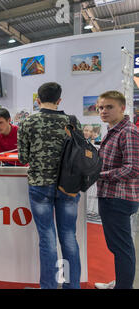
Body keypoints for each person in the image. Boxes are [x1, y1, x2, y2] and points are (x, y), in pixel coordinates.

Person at [17, 82, 83, 289]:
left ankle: (49, 286)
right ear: (59, 100)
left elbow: (22, 158)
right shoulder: (71, 121)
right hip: (68, 185)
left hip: (40, 185)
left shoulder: (27, 122)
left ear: (38, 100)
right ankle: (72, 286)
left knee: (47, 238)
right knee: (69, 237)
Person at [94, 91, 138, 289]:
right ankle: (121, 283)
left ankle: (123, 287)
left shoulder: (127, 131)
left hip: (118, 197)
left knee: (122, 248)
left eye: (109, 107)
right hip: (111, 196)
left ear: (122, 108)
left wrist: (99, 175)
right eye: (101, 107)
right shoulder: (113, 130)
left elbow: (133, 168)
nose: (103, 111)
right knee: (117, 246)